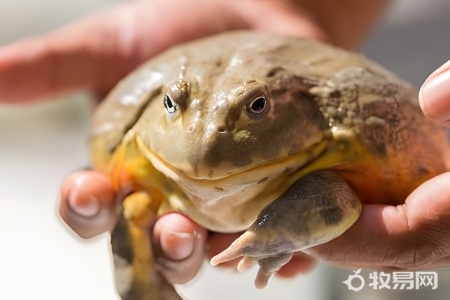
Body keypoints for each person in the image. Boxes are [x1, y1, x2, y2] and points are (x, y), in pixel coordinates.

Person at [3, 0, 450, 286]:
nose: (205, 142)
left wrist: (277, 230)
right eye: (174, 106)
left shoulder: (328, 142)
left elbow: (336, 200)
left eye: (256, 108)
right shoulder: (140, 155)